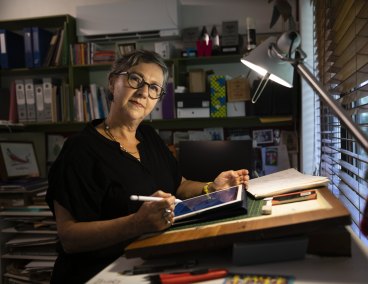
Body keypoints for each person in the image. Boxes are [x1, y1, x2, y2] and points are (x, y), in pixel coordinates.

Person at [45, 49, 250, 283]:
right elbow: (69, 237)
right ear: (113, 83)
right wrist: (136, 223)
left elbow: (178, 184)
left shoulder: (149, 136)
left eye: (154, 88)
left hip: (148, 262)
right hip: (98, 274)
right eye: (135, 79)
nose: (143, 92)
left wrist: (211, 188)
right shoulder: (80, 150)